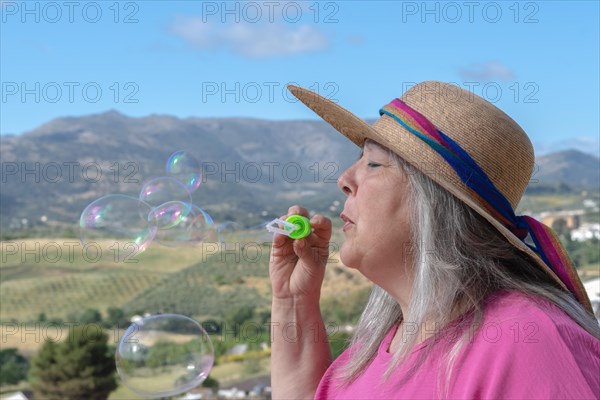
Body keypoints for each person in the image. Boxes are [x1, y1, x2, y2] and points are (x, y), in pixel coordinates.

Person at [269, 81, 600, 399]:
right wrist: (293, 300)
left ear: (434, 204)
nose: (344, 179)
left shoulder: (528, 343)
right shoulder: (374, 353)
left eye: (373, 163)